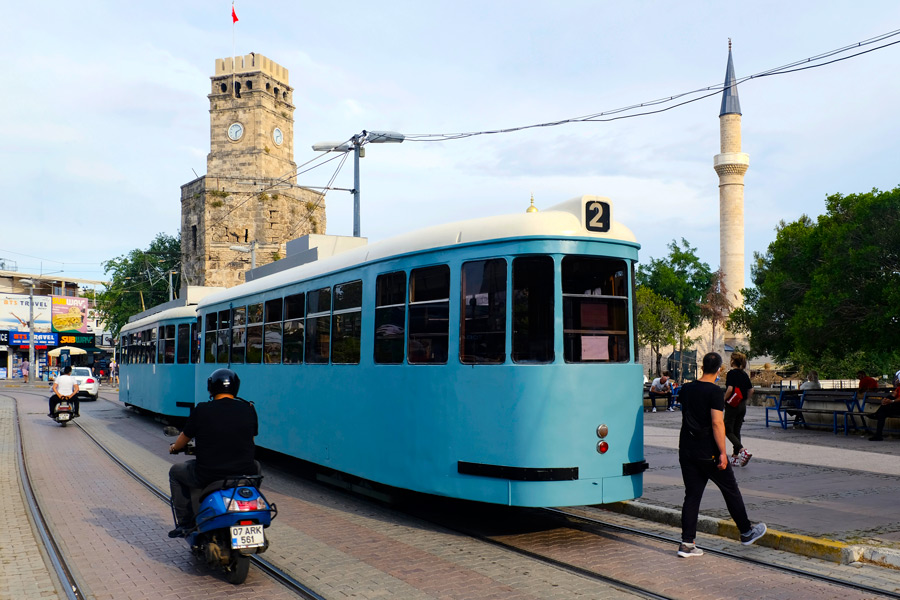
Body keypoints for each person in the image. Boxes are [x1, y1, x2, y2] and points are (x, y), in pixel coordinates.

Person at [676, 352, 766, 558]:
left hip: (687, 450)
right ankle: (746, 532)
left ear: (701, 367)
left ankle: (687, 543)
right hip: (709, 452)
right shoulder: (714, 391)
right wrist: (723, 453)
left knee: (692, 495)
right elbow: (717, 423)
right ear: (719, 370)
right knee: (730, 489)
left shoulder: (686, 388)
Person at [167, 368, 259, 538]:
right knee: (257, 466)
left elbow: (183, 438)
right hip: (243, 473)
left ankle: (185, 523)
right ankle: (248, 498)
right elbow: (251, 441)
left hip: (209, 474)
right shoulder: (249, 409)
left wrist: (174, 448)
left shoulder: (202, 410)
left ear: (211, 388)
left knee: (176, 472)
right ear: (236, 388)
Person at [724, 352, 754, 467]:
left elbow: (730, 389)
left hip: (733, 405)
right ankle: (735, 457)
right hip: (742, 405)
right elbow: (751, 390)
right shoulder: (744, 374)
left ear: (733, 361)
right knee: (736, 430)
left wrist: (724, 400)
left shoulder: (732, 373)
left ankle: (743, 451)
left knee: (727, 429)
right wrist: (745, 399)